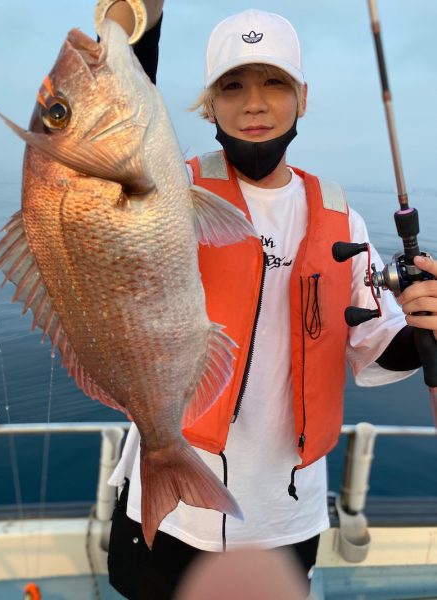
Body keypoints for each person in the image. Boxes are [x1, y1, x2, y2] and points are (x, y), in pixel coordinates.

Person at [102, 2, 437, 598]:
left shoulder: (341, 217)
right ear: (208, 105)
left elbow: (378, 350)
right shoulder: (166, 192)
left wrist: (424, 324)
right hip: (170, 504)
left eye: (274, 82)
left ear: (302, 97)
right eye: (232, 86)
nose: (254, 102)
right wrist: (140, 28)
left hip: (284, 513)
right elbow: (119, 129)